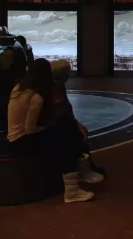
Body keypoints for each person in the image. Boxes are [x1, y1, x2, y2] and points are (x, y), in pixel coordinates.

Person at [6, 58, 100, 203]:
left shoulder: (19, 88)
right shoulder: (36, 98)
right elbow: (30, 129)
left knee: (64, 133)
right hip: (23, 140)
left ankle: (77, 178)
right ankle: (72, 190)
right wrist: (50, 128)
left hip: (14, 138)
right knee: (65, 140)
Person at [40, 59, 105, 179]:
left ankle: (85, 165)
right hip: (51, 126)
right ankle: (77, 170)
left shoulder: (60, 87)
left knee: (81, 131)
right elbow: (51, 114)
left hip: (62, 123)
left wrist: (76, 123)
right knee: (73, 135)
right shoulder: (46, 90)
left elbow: (66, 108)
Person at [0, 26, 28, 120]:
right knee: (13, 97)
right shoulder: (16, 44)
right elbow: (24, 60)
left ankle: (0, 119)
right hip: (13, 77)